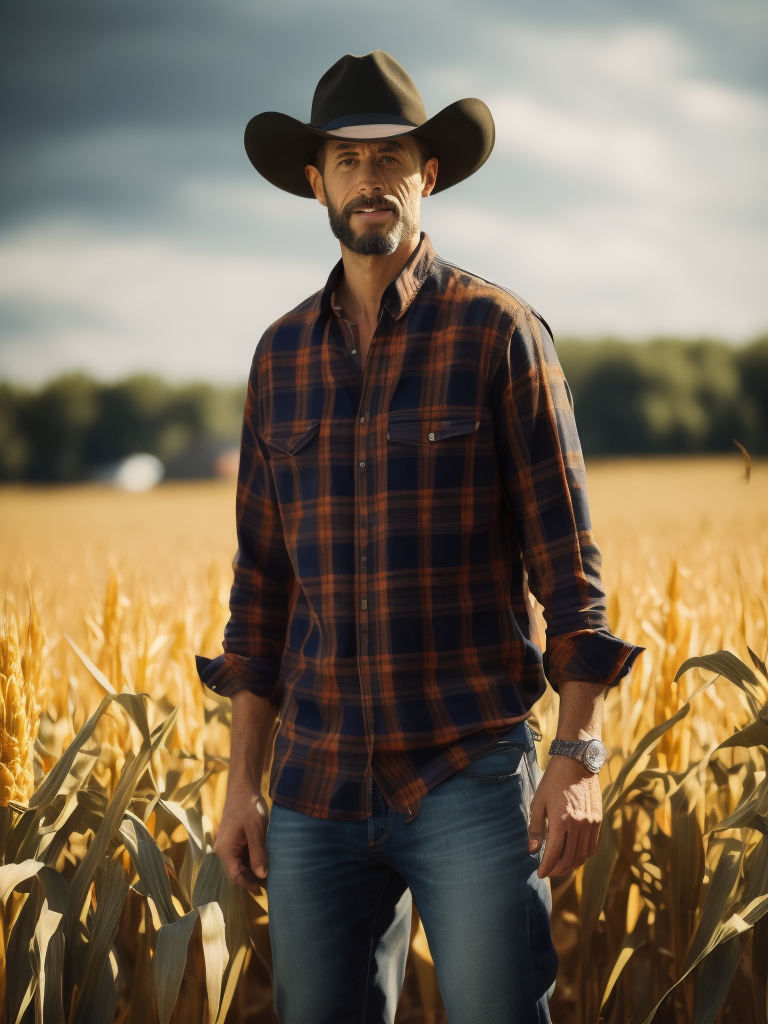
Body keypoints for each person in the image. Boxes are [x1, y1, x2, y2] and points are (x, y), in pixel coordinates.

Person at [196, 50, 644, 1024]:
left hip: (468, 778)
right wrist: (241, 783)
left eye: (391, 156)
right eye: (347, 162)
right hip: (313, 785)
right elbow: (261, 590)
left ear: (426, 174)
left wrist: (578, 756)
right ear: (315, 182)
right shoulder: (279, 359)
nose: (371, 179)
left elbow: (569, 570)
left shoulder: (500, 333)